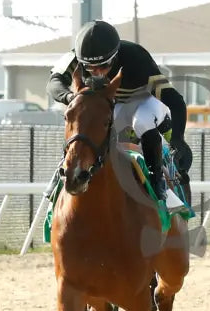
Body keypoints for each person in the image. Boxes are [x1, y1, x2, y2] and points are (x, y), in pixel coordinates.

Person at [47, 20, 190, 204]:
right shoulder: (75, 57)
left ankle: (157, 181)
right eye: (90, 68)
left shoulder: (136, 58)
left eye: (104, 65)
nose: (97, 73)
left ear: (115, 56)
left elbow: (174, 100)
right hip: (109, 105)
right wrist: (69, 97)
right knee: (83, 119)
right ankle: (62, 172)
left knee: (142, 121)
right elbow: (53, 82)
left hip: (142, 101)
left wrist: (178, 138)